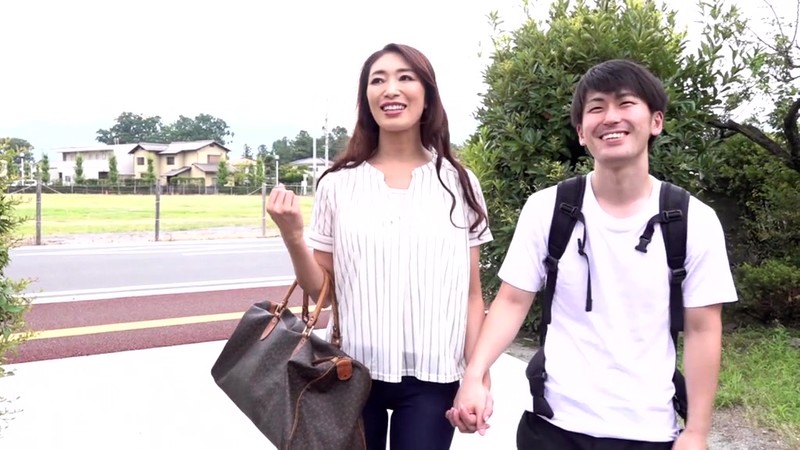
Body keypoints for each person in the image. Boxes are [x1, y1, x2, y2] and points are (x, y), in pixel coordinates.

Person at [445, 59, 738, 449]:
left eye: (626, 103)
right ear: (582, 132)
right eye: (597, 107)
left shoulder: (692, 220)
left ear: (656, 121)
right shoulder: (548, 208)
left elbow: (703, 329)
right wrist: (474, 376)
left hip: (647, 432)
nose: (611, 117)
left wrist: (697, 432)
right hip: (551, 426)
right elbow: (512, 301)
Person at [266, 43, 493, 450]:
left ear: (427, 97)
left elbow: (472, 295)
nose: (391, 89)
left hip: (435, 376)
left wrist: (478, 379)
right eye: (378, 80)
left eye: (405, 78)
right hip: (350, 371)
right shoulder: (337, 183)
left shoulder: (459, 183)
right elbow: (323, 294)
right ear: (366, 99)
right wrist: (293, 236)